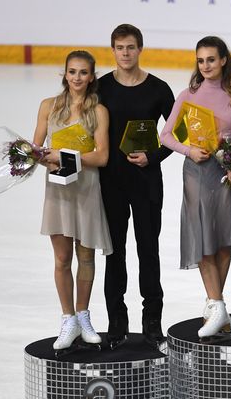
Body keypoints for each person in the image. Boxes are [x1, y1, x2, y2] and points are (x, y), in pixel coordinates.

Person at [160, 36, 231, 340]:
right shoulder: (188, 95)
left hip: (226, 174)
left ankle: (216, 308)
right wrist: (189, 151)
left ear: (224, 60)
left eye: (211, 59)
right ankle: (218, 305)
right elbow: (166, 136)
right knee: (203, 238)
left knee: (224, 239)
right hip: (197, 173)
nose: (206, 65)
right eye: (201, 61)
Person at [98, 24, 175, 349]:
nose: (125, 53)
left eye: (131, 47)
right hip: (110, 183)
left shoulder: (158, 89)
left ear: (140, 49)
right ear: (113, 50)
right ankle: (117, 322)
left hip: (146, 182)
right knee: (114, 253)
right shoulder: (100, 88)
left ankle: (152, 321)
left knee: (148, 251)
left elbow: (176, 134)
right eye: (120, 47)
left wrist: (153, 157)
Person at [33, 50, 112, 351]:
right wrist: (45, 159)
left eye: (83, 72)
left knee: (87, 257)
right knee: (63, 259)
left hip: (87, 189)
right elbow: (36, 149)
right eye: (72, 71)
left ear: (92, 76)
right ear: (64, 74)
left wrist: (65, 157)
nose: (77, 77)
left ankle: (83, 314)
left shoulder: (99, 111)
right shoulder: (48, 107)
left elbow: (102, 156)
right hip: (58, 190)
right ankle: (67, 319)